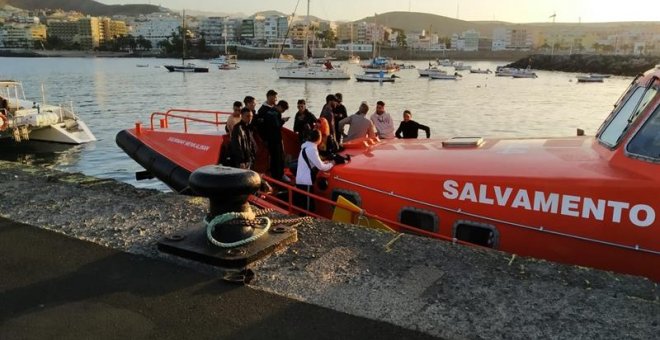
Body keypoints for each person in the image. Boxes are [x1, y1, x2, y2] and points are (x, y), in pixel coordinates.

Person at [295, 129, 334, 212]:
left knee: (302, 204)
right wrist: (332, 163)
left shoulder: (305, 148)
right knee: (308, 207)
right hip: (306, 181)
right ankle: (306, 222)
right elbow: (322, 167)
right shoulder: (312, 149)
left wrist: (323, 162)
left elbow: (312, 162)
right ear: (319, 138)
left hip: (300, 179)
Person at [262, 100, 290, 181]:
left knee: (274, 158)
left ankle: (274, 175)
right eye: (283, 110)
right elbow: (277, 125)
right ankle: (279, 176)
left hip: (270, 139)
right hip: (276, 139)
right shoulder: (275, 113)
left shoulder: (269, 112)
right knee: (278, 158)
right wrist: (283, 120)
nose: (283, 111)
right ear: (280, 106)